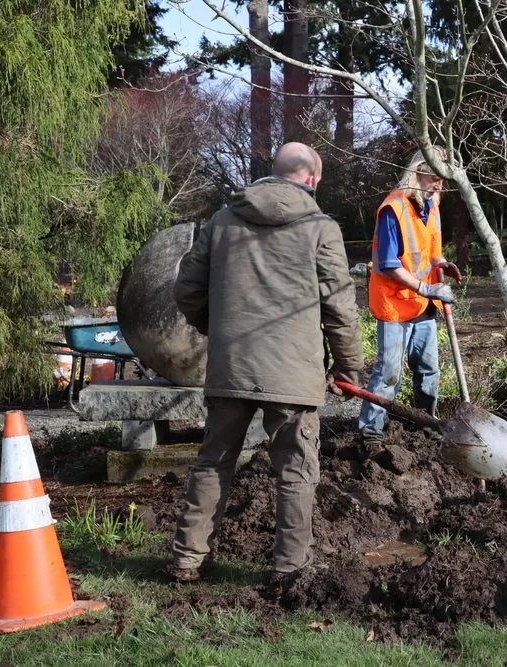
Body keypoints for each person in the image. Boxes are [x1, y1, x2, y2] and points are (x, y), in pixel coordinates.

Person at [169, 142, 363, 584]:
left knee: (214, 460)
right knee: (296, 467)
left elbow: (187, 291)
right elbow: (340, 307)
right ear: (312, 178)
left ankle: (187, 559)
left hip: (230, 366)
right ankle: (289, 569)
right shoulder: (320, 227)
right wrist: (349, 368)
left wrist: (219, 332)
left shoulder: (222, 221)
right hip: (293, 371)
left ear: (272, 173)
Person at [358, 148, 460, 444]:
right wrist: (425, 287)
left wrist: (441, 264)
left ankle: (425, 424)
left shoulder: (433, 202)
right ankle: (370, 432)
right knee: (389, 373)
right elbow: (387, 265)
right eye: (434, 176)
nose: (439, 183)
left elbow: (427, 250)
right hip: (395, 303)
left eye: (442, 177)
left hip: (424, 303)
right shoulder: (394, 209)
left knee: (428, 370)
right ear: (417, 172)